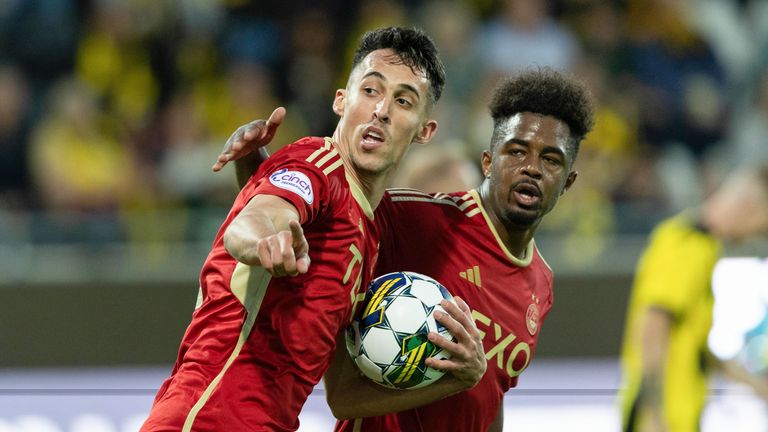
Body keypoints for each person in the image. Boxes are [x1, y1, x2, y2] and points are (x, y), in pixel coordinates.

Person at [141, 27, 486, 432]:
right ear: (342, 100)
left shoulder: (368, 236)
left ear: (425, 130)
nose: (381, 110)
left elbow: (343, 396)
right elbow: (253, 222)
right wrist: (265, 241)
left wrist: (458, 379)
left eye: (403, 100)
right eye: (370, 91)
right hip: (209, 417)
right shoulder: (316, 165)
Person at [216, 68, 595, 431]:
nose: (531, 168)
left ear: (568, 182)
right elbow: (317, 213)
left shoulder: (541, 284)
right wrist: (256, 168)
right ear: (488, 162)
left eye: (550, 159)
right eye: (516, 151)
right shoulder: (421, 220)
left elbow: (488, 395)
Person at [619, 165, 768, 432]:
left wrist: (754, 384)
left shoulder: (702, 247)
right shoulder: (688, 242)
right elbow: (653, 327)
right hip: (664, 422)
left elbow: (693, 345)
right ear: (749, 207)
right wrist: (653, 416)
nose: (755, 238)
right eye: (762, 227)